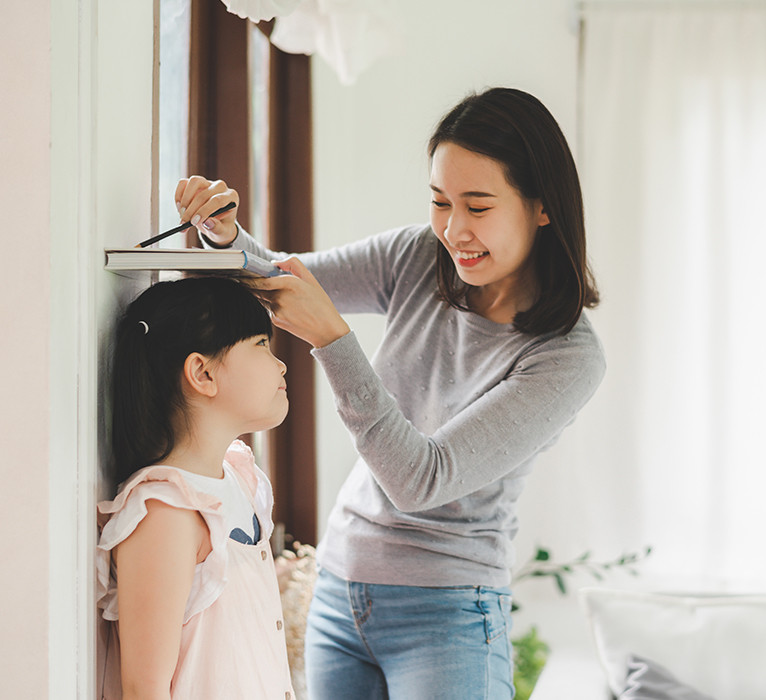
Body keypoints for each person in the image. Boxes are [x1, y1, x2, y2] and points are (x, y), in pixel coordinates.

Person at [175, 86, 605, 699]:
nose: (454, 230)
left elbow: (421, 481)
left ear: (541, 206)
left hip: (450, 614)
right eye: (439, 202)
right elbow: (280, 279)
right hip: (341, 591)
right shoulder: (417, 257)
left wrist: (332, 338)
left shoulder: (567, 356)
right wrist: (223, 236)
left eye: (478, 206)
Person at [96, 276, 296, 699]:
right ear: (202, 373)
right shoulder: (165, 509)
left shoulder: (240, 476)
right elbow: (143, 690)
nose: (280, 364)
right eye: (261, 344)